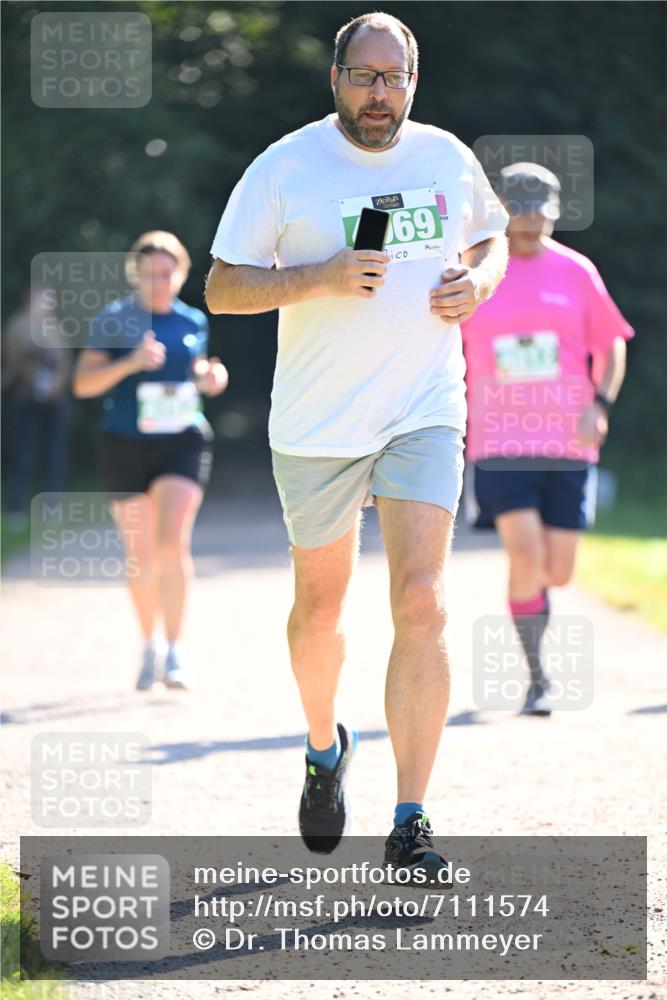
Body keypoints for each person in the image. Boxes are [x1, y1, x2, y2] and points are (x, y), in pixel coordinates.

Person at [205, 12, 508, 872]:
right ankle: (321, 746)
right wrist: (321, 277)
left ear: (415, 79)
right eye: (365, 77)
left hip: (422, 406)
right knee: (323, 609)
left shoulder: (445, 157)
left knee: (422, 600)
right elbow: (222, 288)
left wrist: (478, 282)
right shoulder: (285, 166)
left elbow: (488, 241)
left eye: (396, 78)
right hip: (317, 421)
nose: (381, 95)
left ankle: (411, 818)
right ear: (334, 76)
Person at [461, 162, 634, 715]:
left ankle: (533, 611)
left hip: (567, 438)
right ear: (502, 213)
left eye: (541, 214)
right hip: (498, 439)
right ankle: (538, 678)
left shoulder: (576, 271)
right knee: (525, 549)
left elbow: (612, 344)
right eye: (520, 213)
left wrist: (599, 405)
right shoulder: (475, 271)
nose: (532, 224)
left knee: (557, 570)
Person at [73, 231, 228, 691]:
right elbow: (83, 384)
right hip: (125, 443)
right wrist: (130, 363)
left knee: (172, 542)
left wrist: (209, 376)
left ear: (181, 273)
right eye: (150, 274)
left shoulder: (193, 321)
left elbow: (196, 372)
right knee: (140, 554)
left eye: (168, 273)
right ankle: (149, 646)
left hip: (181, 440)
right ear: (135, 276)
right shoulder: (114, 320)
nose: (160, 282)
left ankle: (176, 651)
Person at [2, 286, 70, 530]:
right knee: (22, 455)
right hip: (25, 399)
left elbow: (64, 361)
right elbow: (15, 362)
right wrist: (35, 380)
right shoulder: (17, 326)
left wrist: (56, 386)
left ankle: (51, 508)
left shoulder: (56, 328)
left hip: (55, 401)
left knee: (54, 456)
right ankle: (16, 510)